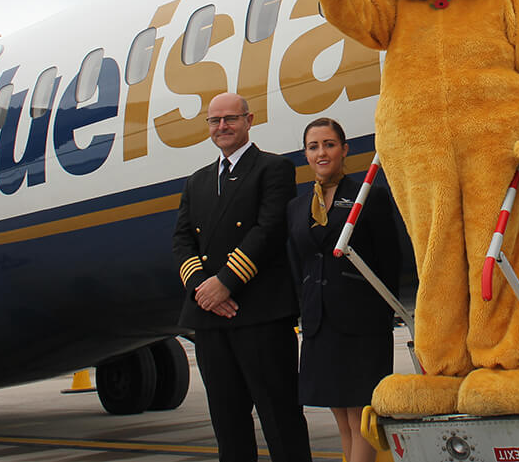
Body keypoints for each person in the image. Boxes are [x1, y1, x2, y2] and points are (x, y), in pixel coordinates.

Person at [171, 92, 312, 462]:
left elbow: (268, 231)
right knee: (227, 422)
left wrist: (225, 284)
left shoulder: (273, 169)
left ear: (249, 121)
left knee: (280, 418)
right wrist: (203, 290)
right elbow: (182, 240)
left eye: (230, 119)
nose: (222, 127)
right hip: (211, 321)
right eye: (215, 121)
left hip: (260, 314)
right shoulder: (196, 181)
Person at [287, 117, 401, 462]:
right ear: (306, 154)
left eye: (329, 144)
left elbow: (389, 260)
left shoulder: (368, 195)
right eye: (313, 146)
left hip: (360, 320)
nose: (322, 152)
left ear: (344, 149)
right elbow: (298, 264)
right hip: (320, 322)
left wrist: (380, 312)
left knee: (362, 415)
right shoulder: (295, 208)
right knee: (341, 416)